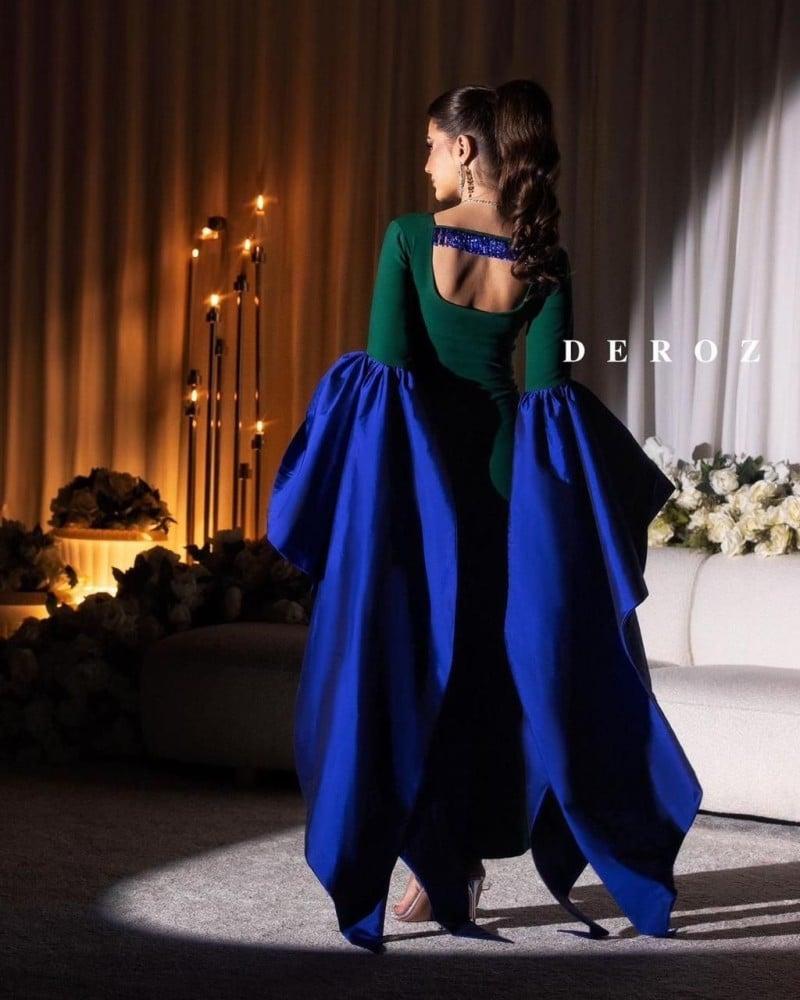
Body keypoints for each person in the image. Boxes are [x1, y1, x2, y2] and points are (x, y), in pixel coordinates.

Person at [267, 80, 703, 955]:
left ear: (465, 147)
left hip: (427, 484)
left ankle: (439, 861)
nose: (425, 160)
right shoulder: (545, 257)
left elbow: (389, 374)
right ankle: (460, 860)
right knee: (495, 679)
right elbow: (546, 393)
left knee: (413, 667)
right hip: (509, 485)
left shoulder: (407, 237)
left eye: (431, 143)